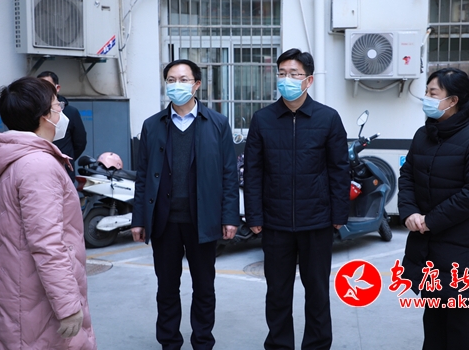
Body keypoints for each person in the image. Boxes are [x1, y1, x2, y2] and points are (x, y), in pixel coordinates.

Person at [244, 48, 349, 350]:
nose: (286, 79)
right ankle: (280, 345)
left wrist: (338, 215)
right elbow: (253, 172)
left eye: (294, 74)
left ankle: (317, 345)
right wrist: (254, 215)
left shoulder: (328, 119)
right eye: (282, 74)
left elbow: (339, 170)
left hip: (316, 221)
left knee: (317, 291)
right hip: (275, 223)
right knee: (277, 293)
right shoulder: (263, 119)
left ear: (309, 80)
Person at [131, 59, 240, 349]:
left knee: (204, 287)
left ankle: (202, 341)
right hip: (164, 221)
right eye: (170, 80)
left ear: (197, 84)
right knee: (167, 288)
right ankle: (169, 342)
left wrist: (230, 216)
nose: (176, 85)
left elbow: (229, 174)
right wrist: (139, 219)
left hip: (202, 220)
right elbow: (143, 177)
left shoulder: (217, 124)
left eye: (183, 79)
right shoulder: (152, 125)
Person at [0, 77, 96, 349]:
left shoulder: (18, 159)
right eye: (57, 106)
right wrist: (68, 305)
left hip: (22, 292)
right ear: (44, 116)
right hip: (37, 302)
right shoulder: (38, 166)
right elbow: (48, 243)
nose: (61, 113)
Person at [398, 68, 469, 350]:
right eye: (427, 92)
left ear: (453, 100)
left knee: (460, 322)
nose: (426, 98)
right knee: (433, 320)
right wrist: (409, 212)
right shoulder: (423, 135)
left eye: (433, 93)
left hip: (460, 247)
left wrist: (431, 220)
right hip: (426, 246)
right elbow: (407, 176)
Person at [37, 70, 87, 182]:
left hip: (63, 172)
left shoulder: (70, 112)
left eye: (47, 86)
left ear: (57, 88)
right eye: (39, 87)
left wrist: (65, 159)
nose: (42, 90)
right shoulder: (33, 112)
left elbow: (80, 143)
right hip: (38, 170)